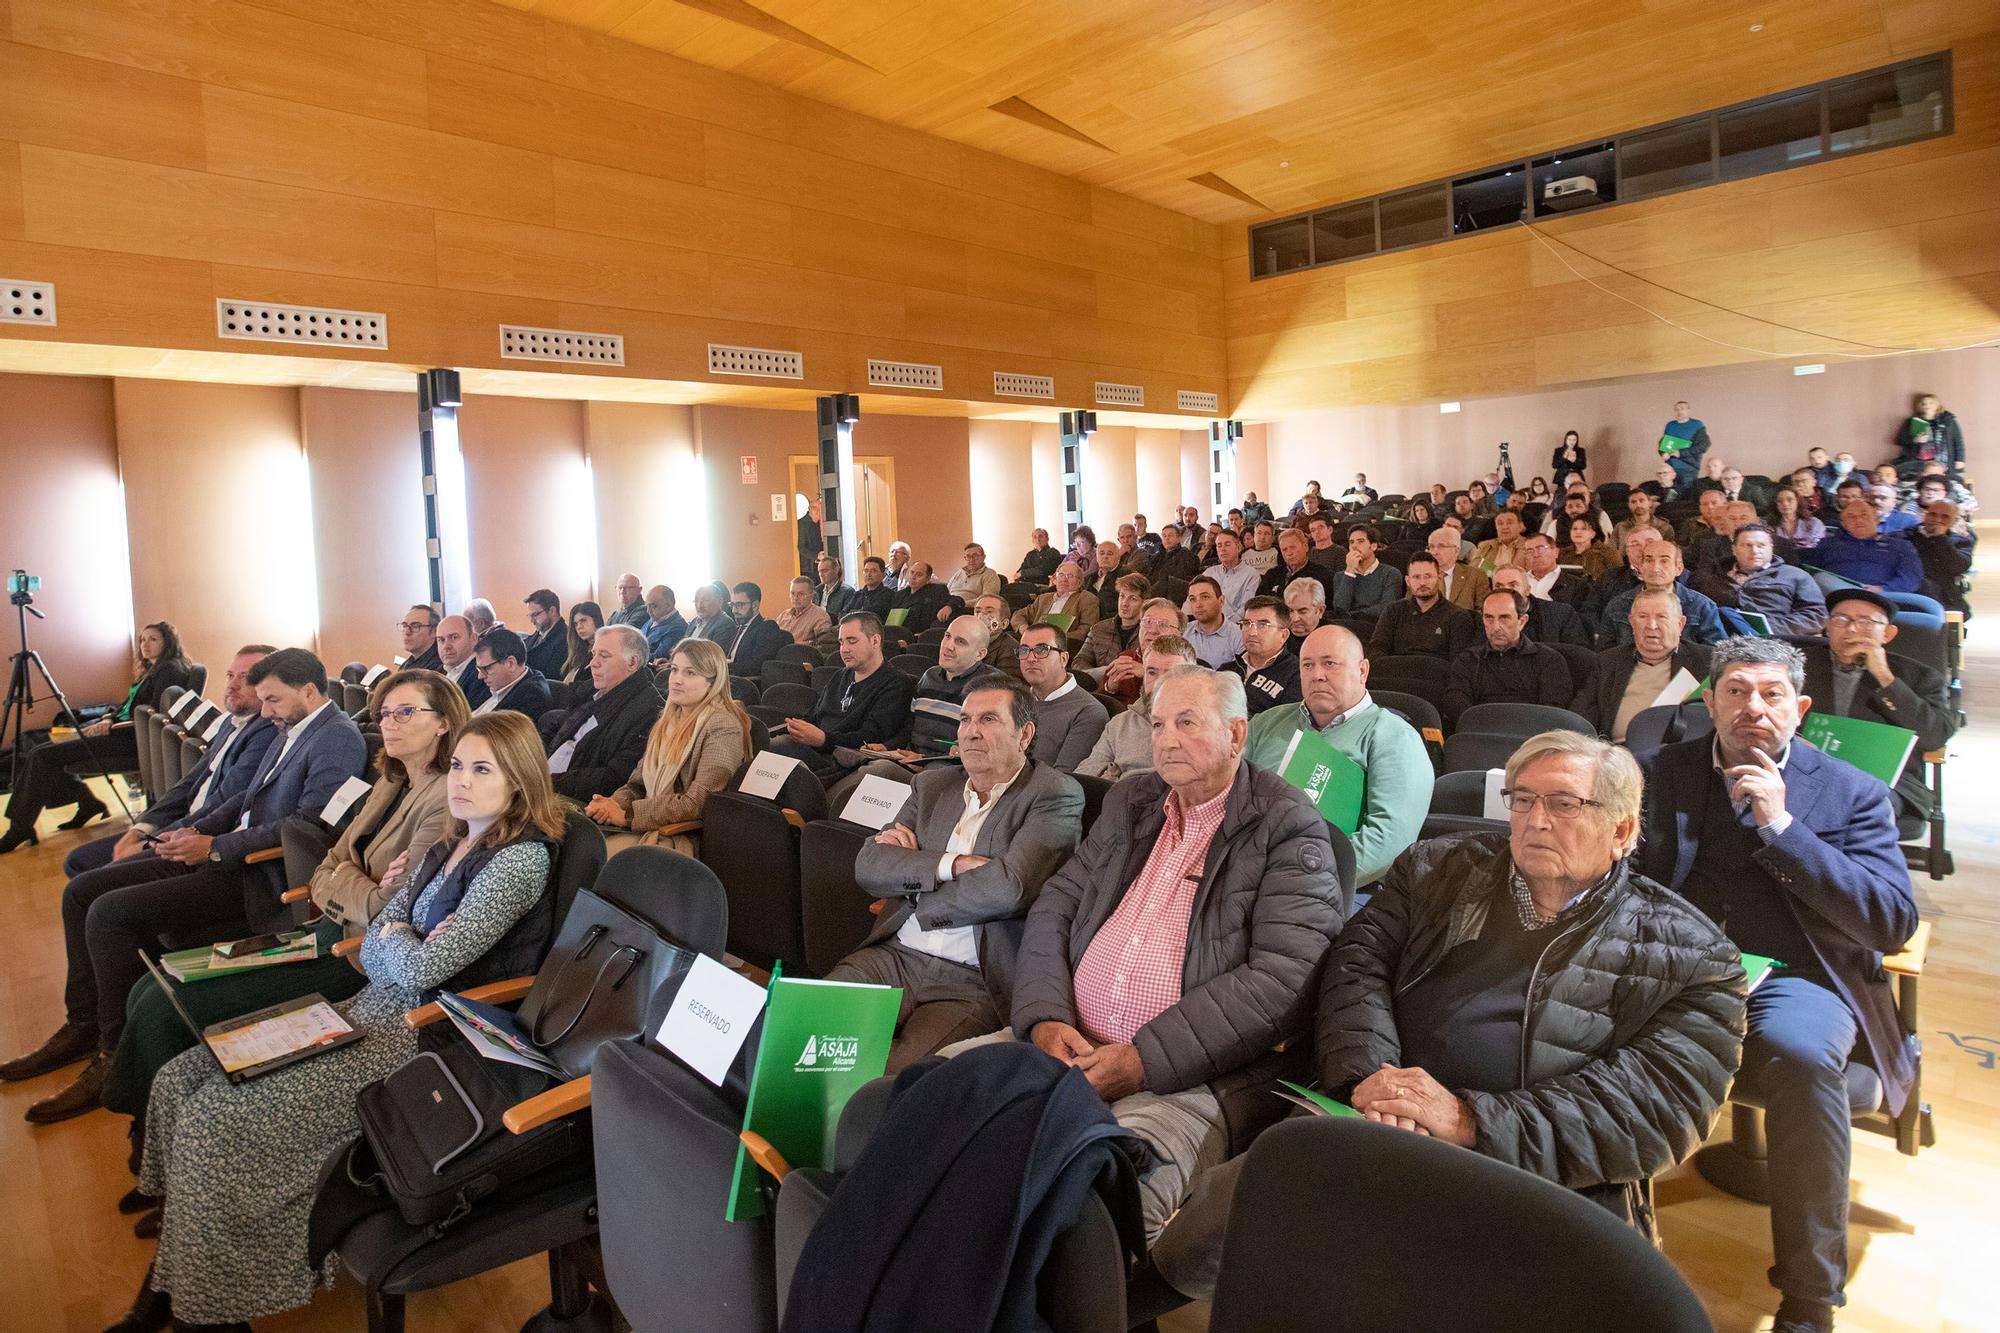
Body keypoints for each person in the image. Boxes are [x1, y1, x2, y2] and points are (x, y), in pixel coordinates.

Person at [1143, 731, 1744, 1303]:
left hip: (1528, 1173)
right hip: (1370, 1114)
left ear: (1623, 829)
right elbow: (1357, 962)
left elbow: (1655, 1111)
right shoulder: (1436, 868)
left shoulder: (1691, 957)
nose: (1536, 820)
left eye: (1564, 804)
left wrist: (1466, 1119)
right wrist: (1369, 1077)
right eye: (1523, 799)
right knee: (1233, 1218)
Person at [116, 713, 567, 1331]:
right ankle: (178, 1266)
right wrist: (400, 936)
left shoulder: (518, 863)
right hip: (371, 1005)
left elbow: (421, 969)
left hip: (422, 1035)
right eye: (458, 764)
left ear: (519, 780)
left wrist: (398, 939)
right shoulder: (449, 843)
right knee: (181, 1078)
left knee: (218, 1116)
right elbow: (386, 927)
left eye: (482, 769)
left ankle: (208, 1309)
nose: (460, 781)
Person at [1000, 666, 1344, 1255]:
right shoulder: (1134, 799)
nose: (1166, 740)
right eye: (1158, 724)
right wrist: (1044, 1017)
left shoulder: (1289, 827)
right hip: (1063, 1043)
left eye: (1188, 723)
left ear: (1237, 737)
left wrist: (1142, 1060)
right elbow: (1058, 901)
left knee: (1094, 1204)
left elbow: (1283, 978)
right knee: (925, 1105)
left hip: (1184, 1078)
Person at [1636, 638, 1917, 1333]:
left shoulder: (1852, 791)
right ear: (1709, 701)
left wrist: (1783, 827)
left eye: (1771, 693)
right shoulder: (1660, 772)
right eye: (1734, 691)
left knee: (1799, 1053)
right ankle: (1604, 1241)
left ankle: (1810, 1294)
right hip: (1678, 963)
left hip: (1799, 973)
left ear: (1801, 707)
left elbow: (1891, 919)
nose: (1752, 707)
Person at [5, 648, 368, 1123]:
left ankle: (112, 1056)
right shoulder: (292, 728)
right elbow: (244, 796)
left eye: (274, 700)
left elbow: (306, 826)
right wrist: (194, 833)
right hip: (226, 855)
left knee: (109, 913)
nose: (266, 712)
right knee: (82, 893)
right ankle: (84, 1023)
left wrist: (215, 847)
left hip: (260, 877)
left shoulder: (335, 738)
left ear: (309, 691)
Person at [99, 669, 469, 1132]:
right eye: (385, 713)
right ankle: (156, 1125)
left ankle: (147, 1138)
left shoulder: (445, 800)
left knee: (162, 1007)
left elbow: (381, 908)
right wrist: (350, 881)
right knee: (151, 985)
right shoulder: (393, 781)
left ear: (443, 723)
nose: (389, 722)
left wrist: (343, 880)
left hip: (354, 957)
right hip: (323, 930)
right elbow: (325, 867)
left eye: (406, 711)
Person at [835, 679, 1083, 1071]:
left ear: (1025, 734)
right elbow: (869, 865)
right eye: (965, 719)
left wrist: (916, 883)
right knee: (806, 1032)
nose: (970, 731)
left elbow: (1008, 889)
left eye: (988, 719)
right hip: (893, 955)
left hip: (972, 981)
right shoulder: (932, 784)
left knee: (892, 1080)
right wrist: (954, 864)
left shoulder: (1053, 794)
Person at [57, 646, 280, 886]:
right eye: (229, 675)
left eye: (245, 677)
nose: (232, 684)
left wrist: (150, 843)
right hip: (180, 823)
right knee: (78, 861)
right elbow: (188, 783)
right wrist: (141, 829)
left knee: (91, 885)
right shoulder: (231, 721)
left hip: (199, 837)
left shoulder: (266, 731)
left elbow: (226, 802)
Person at [1243, 625, 1428, 887]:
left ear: (1362, 671)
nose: (1317, 675)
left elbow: (1388, 840)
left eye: (1330, 664)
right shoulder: (1266, 723)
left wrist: (1300, 879)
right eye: (1307, 665)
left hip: (1332, 889)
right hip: (1247, 874)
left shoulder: (1394, 737)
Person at [0, 621, 192, 851]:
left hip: (130, 739)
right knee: (42, 749)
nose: (145, 644)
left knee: (41, 756)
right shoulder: (154, 669)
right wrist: (108, 717)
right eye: (143, 640)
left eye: (153, 639)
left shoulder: (170, 669)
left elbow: (154, 714)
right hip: (119, 730)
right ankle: (88, 803)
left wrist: (112, 726)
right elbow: (129, 705)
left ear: (168, 642)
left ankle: (19, 828)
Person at [1800, 590, 1955, 829]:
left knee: (1858, 809)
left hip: (1885, 781)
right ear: (1827, 626)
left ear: (1888, 633)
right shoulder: (1794, 667)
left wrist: (1885, 677)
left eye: (1865, 622)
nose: (1851, 629)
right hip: (1806, 770)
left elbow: (1934, 736)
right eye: (1841, 620)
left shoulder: (1920, 677)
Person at [585, 639, 749, 857]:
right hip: (649, 823)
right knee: (576, 844)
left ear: (713, 681)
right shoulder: (667, 721)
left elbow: (698, 803)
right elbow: (637, 785)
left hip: (682, 835)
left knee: (592, 858)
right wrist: (611, 805)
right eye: (674, 670)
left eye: (690, 673)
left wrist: (627, 815)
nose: (677, 680)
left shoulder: (723, 726)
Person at [771, 613, 916, 774]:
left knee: (778, 748)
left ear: (875, 640)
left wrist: (824, 739)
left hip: (848, 761)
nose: (844, 649)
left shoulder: (895, 683)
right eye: (841, 642)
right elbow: (815, 717)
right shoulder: (840, 676)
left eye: (852, 641)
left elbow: (871, 738)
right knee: (766, 742)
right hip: (816, 750)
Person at [542, 623, 665, 802]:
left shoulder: (649, 710)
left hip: (573, 800)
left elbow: (613, 778)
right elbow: (557, 727)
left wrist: (547, 783)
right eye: (593, 654)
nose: (593, 663)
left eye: (604, 656)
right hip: (545, 781)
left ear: (632, 662)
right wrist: (529, 759)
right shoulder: (591, 689)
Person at [1578, 590, 1712, 742]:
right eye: (1642, 617)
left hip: (1676, 753)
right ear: (1632, 623)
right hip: (1616, 754)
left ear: (1680, 624)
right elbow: (1581, 715)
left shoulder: (1707, 661)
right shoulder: (1608, 662)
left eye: (1661, 617)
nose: (1651, 625)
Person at [1442, 590, 1574, 727]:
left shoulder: (1549, 660)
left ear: (1522, 621)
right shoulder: (1468, 659)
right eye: (1489, 618)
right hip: (1480, 734)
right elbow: (1455, 704)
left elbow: (1552, 712)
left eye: (1504, 618)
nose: (1496, 627)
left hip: (1531, 738)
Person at [1077, 636, 1198, 781]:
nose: (1158, 683)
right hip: (1118, 799)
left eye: (1170, 674)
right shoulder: (1120, 724)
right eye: (1151, 672)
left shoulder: (1205, 725)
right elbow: (1085, 776)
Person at [1693, 525, 1827, 636]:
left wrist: (1769, 626)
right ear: (1734, 550)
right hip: (1720, 639)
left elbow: (1816, 615)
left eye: (1761, 545)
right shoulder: (1714, 576)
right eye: (1747, 545)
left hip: (1775, 641)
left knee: (1725, 613)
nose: (1755, 551)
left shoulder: (1795, 576)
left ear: (1771, 548)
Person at [1015, 622, 1109, 772]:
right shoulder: (1015, 700)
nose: (1030, 658)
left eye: (1041, 650)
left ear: (1063, 659)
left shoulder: (1089, 712)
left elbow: (1062, 779)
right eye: (1024, 650)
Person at [1601, 540, 1727, 646]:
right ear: (1640, 567)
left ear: (1678, 568)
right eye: (1649, 560)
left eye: (1664, 561)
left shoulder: (1702, 606)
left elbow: (1716, 654)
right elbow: (1606, 656)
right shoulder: (1618, 605)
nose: (1655, 568)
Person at [1368, 552, 1477, 661]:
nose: (1422, 583)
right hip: (1396, 674)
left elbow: (1459, 664)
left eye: (1428, 576)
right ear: (1408, 581)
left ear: (1439, 578)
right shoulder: (1393, 611)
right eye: (1416, 577)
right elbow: (1376, 650)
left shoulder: (1458, 616)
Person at [1813, 496, 1924, 593]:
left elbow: (1911, 578)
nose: (1858, 520)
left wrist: (1884, 589)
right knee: (1821, 578)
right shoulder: (1828, 544)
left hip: (1884, 598)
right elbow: (1811, 571)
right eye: (1851, 517)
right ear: (1844, 524)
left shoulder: (1901, 546)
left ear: (1877, 519)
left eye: (1864, 515)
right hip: (1835, 597)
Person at [1093, 598, 1184, 703]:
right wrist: (1110, 687)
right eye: (1148, 622)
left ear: (1179, 635)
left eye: (1163, 625)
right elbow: (1097, 704)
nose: (1153, 630)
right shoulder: (1126, 657)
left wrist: (1148, 673)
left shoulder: (1185, 667)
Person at [1227, 597, 1301, 715]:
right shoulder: (1227, 669)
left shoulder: (1297, 675)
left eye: (1263, 625)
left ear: (1283, 635)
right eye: (1247, 623)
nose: (1252, 632)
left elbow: (1288, 725)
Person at [1490, 566, 1590, 648]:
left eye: (1513, 585)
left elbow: (1579, 655)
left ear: (1527, 590)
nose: (1506, 590)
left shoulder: (1561, 614)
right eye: (1498, 586)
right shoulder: (1485, 618)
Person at [1905, 499, 1972, 616]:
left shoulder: (1961, 542)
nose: (1937, 520)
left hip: (1944, 597)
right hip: (1910, 593)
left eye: (1945, 517)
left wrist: (1940, 538)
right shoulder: (1906, 536)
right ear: (1925, 515)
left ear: (1954, 521)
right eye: (1933, 514)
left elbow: (1960, 567)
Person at [1074, 573, 1148, 676]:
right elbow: (1079, 662)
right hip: (1098, 688)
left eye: (1133, 599)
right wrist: (1104, 673)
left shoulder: (1149, 633)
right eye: (1122, 596)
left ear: (1144, 603)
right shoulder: (1098, 629)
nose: (1124, 603)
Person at [470, 628, 553, 719]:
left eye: (486, 668)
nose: (480, 676)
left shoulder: (531, 699)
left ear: (510, 664)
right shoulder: (498, 682)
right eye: (479, 669)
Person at [1011, 559, 1099, 643]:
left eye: (1070, 576)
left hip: (1065, 644)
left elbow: (1086, 630)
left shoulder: (1087, 599)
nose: (1064, 579)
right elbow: (1018, 614)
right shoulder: (1043, 598)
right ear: (1055, 579)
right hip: (1033, 641)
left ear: (1079, 582)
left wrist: (1054, 639)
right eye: (1061, 575)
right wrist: (1024, 628)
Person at [1330, 524, 1404, 618]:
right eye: (1351, 542)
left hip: (1376, 625)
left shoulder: (1391, 573)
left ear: (1373, 546)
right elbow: (1340, 609)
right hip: (1346, 626)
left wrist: (1353, 615)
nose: (1354, 546)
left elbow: (1387, 608)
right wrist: (1349, 572)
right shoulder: (1341, 576)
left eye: (1360, 541)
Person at [1256, 527, 1339, 607]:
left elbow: (1323, 607)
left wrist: (1278, 591)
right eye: (1284, 550)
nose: (1289, 553)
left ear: (1305, 547)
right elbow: (1258, 603)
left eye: (1292, 547)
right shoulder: (1272, 574)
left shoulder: (1321, 574)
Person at [1893, 392, 1964, 480]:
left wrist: (1960, 459)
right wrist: (1916, 440)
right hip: (1920, 464)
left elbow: (1958, 441)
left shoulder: (1948, 420)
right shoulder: (1913, 421)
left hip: (1945, 462)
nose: (1927, 405)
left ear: (1937, 405)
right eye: (1923, 403)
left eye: (1931, 403)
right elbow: (1901, 440)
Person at [1180, 576, 1244, 670]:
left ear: (1221, 600)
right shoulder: (1183, 632)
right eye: (1193, 599)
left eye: (1205, 597)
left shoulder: (1239, 636)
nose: (1198, 605)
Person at [1199, 529, 1259, 622]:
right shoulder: (1209, 573)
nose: (1223, 549)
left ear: (1238, 547)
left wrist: (1222, 625)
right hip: (1205, 623)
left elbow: (1245, 610)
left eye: (1227, 544)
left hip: (1233, 628)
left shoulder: (1251, 575)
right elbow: (1193, 600)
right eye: (1219, 545)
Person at [1426, 526, 1489, 613]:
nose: (1434, 552)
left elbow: (1483, 612)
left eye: (1441, 546)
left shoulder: (1476, 576)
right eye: (1431, 547)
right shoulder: (1420, 576)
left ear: (1456, 550)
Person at [1517, 532, 1589, 606]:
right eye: (1530, 551)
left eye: (1541, 549)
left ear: (1556, 552)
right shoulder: (1518, 582)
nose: (1535, 555)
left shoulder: (1577, 586)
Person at [433, 614, 487, 709]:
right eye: (441, 640)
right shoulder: (438, 672)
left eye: (454, 637)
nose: (446, 646)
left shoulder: (481, 674)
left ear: (474, 638)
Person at [888, 560, 956, 631]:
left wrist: (949, 606)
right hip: (895, 631)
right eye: (912, 572)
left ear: (928, 578)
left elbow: (957, 599)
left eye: (919, 574)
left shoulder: (936, 590)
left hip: (919, 634)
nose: (913, 577)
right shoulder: (899, 594)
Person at [971, 593, 1025, 680]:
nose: (981, 616)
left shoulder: (1011, 650)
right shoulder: (966, 642)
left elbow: (1006, 686)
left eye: (989, 612)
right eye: (977, 611)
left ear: (1004, 624)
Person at [1659, 399, 1711, 489]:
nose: (1679, 411)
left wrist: (1681, 453)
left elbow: (1703, 446)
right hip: (1670, 466)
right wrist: (1663, 452)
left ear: (1688, 410)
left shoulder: (1697, 425)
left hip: (1688, 466)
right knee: (1670, 491)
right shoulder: (1670, 425)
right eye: (1677, 409)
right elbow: (1664, 442)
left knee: (1686, 491)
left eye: (1682, 408)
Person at [556, 600, 602, 697]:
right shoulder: (579, 652)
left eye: (583, 620)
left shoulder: (604, 649)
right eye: (576, 624)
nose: (579, 627)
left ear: (596, 620)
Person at [520, 588, 568, 678]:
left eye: (535, 615)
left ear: (552, 611)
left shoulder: (566, 638)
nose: (532, 621)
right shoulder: (538, 634)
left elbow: (551, 674)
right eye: (530, 616)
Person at [777, 574, 833, 646]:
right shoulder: (783, 616)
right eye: (792, 593)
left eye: (801, 594)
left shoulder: (820, 617)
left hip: (802, 655)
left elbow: (825, 646)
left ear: (812, 595)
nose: (795, 598)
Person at [683, 579, 741, 644]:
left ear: (719, 601)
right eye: (696, 601)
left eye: (705, 600)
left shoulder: (725, 624)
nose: (699, 606)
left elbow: (715, 653)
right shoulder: (694, 622)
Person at [641, 584, 689, 661]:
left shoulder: (678, 628)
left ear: (669, 605)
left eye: (653, 606)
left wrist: (633, 657)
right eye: (647, 606)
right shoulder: (654, 619)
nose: (648, 611)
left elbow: (659, 656)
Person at [1771, 486, 1826, 552]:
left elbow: (1818, 548)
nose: (1785, 504)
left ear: (1797, 501)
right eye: (1780, 501)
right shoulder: (1770, 525)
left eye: (1790, 499)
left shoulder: (1815, 523)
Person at [1564, 515, 1620, 580]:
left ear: (1593, 534)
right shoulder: (1562, 554)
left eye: (1584, 529)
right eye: (1574, 529)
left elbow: (1618, 577)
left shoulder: (1608, 552)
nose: (1578, 532)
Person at [1283, 575, 1327, 652]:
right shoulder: (1276, 638)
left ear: (1320, 611)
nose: (1295, 619)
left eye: (1302, 612)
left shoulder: (1335, 639)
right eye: (1290, 611)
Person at [398, 605, 442, 671]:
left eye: (415, 626)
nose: (407, 632)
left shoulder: (439, 666)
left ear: (434, 631)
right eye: (405, 626)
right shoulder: (405, 665)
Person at [814, 554, 856, 619]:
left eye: (825, 571)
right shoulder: (816, 591)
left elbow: (847, 619)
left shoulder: (847, 592)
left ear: (836, 570)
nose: (821, 575)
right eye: (819, 571)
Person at [797, 496, 824, 576]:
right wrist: (816, 556)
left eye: (819, 508)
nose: (817, 511)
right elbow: (801, 547)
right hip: (807, 568)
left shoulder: (821, 524)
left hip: (820, 565)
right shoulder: (801, 524)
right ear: (809, 509)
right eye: (814, 508)